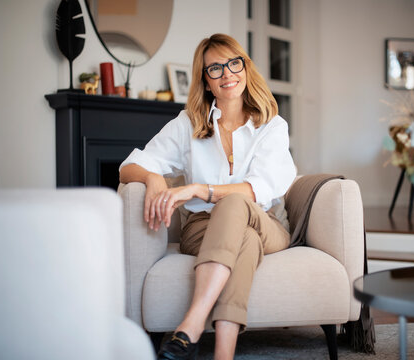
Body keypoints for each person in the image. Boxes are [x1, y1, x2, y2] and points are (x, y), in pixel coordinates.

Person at [119, 33, 296, 360]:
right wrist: (154, 178)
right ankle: (223, 354)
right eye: (215, 69)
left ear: (245, 67)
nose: (227, 73)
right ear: (206, 81)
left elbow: (259, 189)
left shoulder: (271, 125)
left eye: (233, 63)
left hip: (266, 223)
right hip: (202, 229)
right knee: (244, 240)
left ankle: (192, 324)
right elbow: (130, 166)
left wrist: (200, 189)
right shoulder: (188, 124)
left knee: (236, 205)